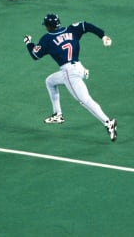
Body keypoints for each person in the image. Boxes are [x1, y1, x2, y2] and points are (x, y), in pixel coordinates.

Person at [23, 14, 117, 142]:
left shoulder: (47, 39)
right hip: (78, 67)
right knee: (50, 81)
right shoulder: (71, 29)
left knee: (85, 100)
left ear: (49, 26)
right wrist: (103, 36)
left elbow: (35, 55)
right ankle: (58, 114)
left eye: (46, 25)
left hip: (70, 74)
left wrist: (28, 42)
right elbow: (86, 25)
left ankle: (108, 122)